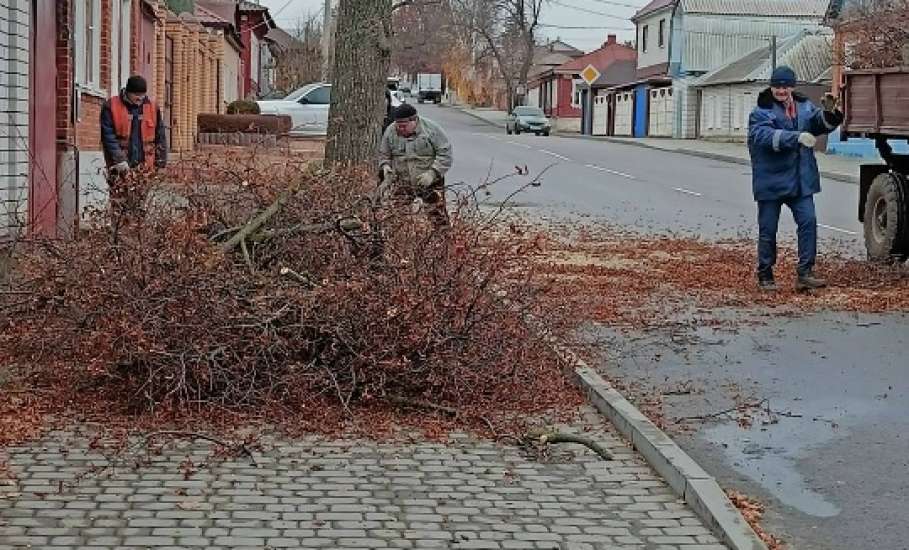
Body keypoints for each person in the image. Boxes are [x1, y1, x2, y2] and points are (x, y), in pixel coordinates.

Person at [747, 66, 843, 292]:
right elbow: (762, 136)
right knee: (768, 230)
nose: (781, 90)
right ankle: (765, 273)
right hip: (771, 180)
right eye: (777, 86)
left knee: (808, 222)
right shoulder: (761, 111)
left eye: (785, 86)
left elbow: (818, 124)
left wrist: (829, 113)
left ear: (792, 86)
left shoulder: (803, 106)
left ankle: (805, 273)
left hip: (801, 179)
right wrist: (796, 137)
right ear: (771, 87)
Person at [100, 75, 167, 215]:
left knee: (140, 204)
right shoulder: (111, 106)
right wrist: (119, 159)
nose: (140, 99)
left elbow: (160, 135)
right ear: (127, 92)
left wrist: (160, 162)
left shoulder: (152, 107)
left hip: (144, 165)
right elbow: (108, 136)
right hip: (120, 166)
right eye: (136, 95)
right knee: (120, 203)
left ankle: (137, 234)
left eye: (142, 95)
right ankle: (120, 234)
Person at [378, 104, 453, 227]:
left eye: (404, 126)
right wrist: (385, 167)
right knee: (396, 216)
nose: (400, 129)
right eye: (398, 125)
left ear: (414, 120)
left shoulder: (431, 129)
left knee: (438, 216)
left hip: (429, 181)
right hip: (402, 181)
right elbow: (384, 154)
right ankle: (401, 242)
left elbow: (445, 154)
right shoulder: (390, 131)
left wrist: (433, 173)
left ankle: (443, 241)